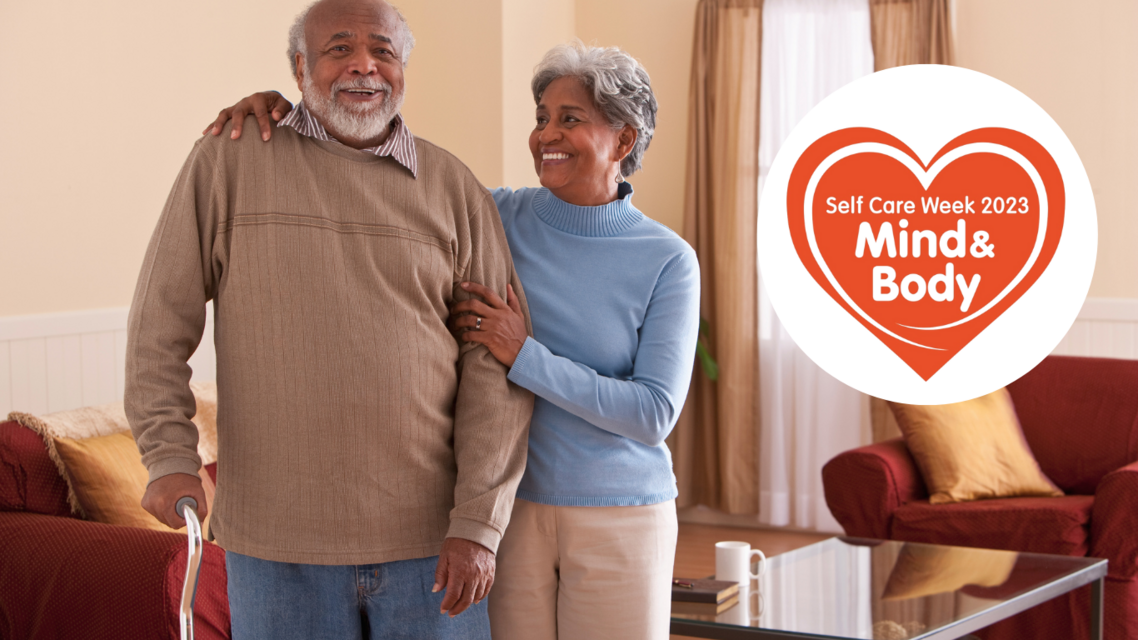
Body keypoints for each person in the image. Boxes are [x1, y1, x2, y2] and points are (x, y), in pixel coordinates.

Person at [209, 40, 700, 640]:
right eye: (542, 117)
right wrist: (294, 117)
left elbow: (653, 413)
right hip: (507, 515)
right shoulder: (494, 214)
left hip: (623, 515)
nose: (546, 134)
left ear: (623, 142)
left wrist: (525, 356)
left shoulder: (667, 259)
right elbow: (373, 189)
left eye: (570, 119)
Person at [126, 1, 534, 639]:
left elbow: (496, 369)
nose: (363, 65)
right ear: (299, 66)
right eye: (338, 48)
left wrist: (478, 523)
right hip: (275, 543)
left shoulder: (455, 187)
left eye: (383, 50)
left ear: (403, 68)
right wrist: (167, 453)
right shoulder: (227, 162)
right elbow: (159, 323)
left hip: (431, 545)